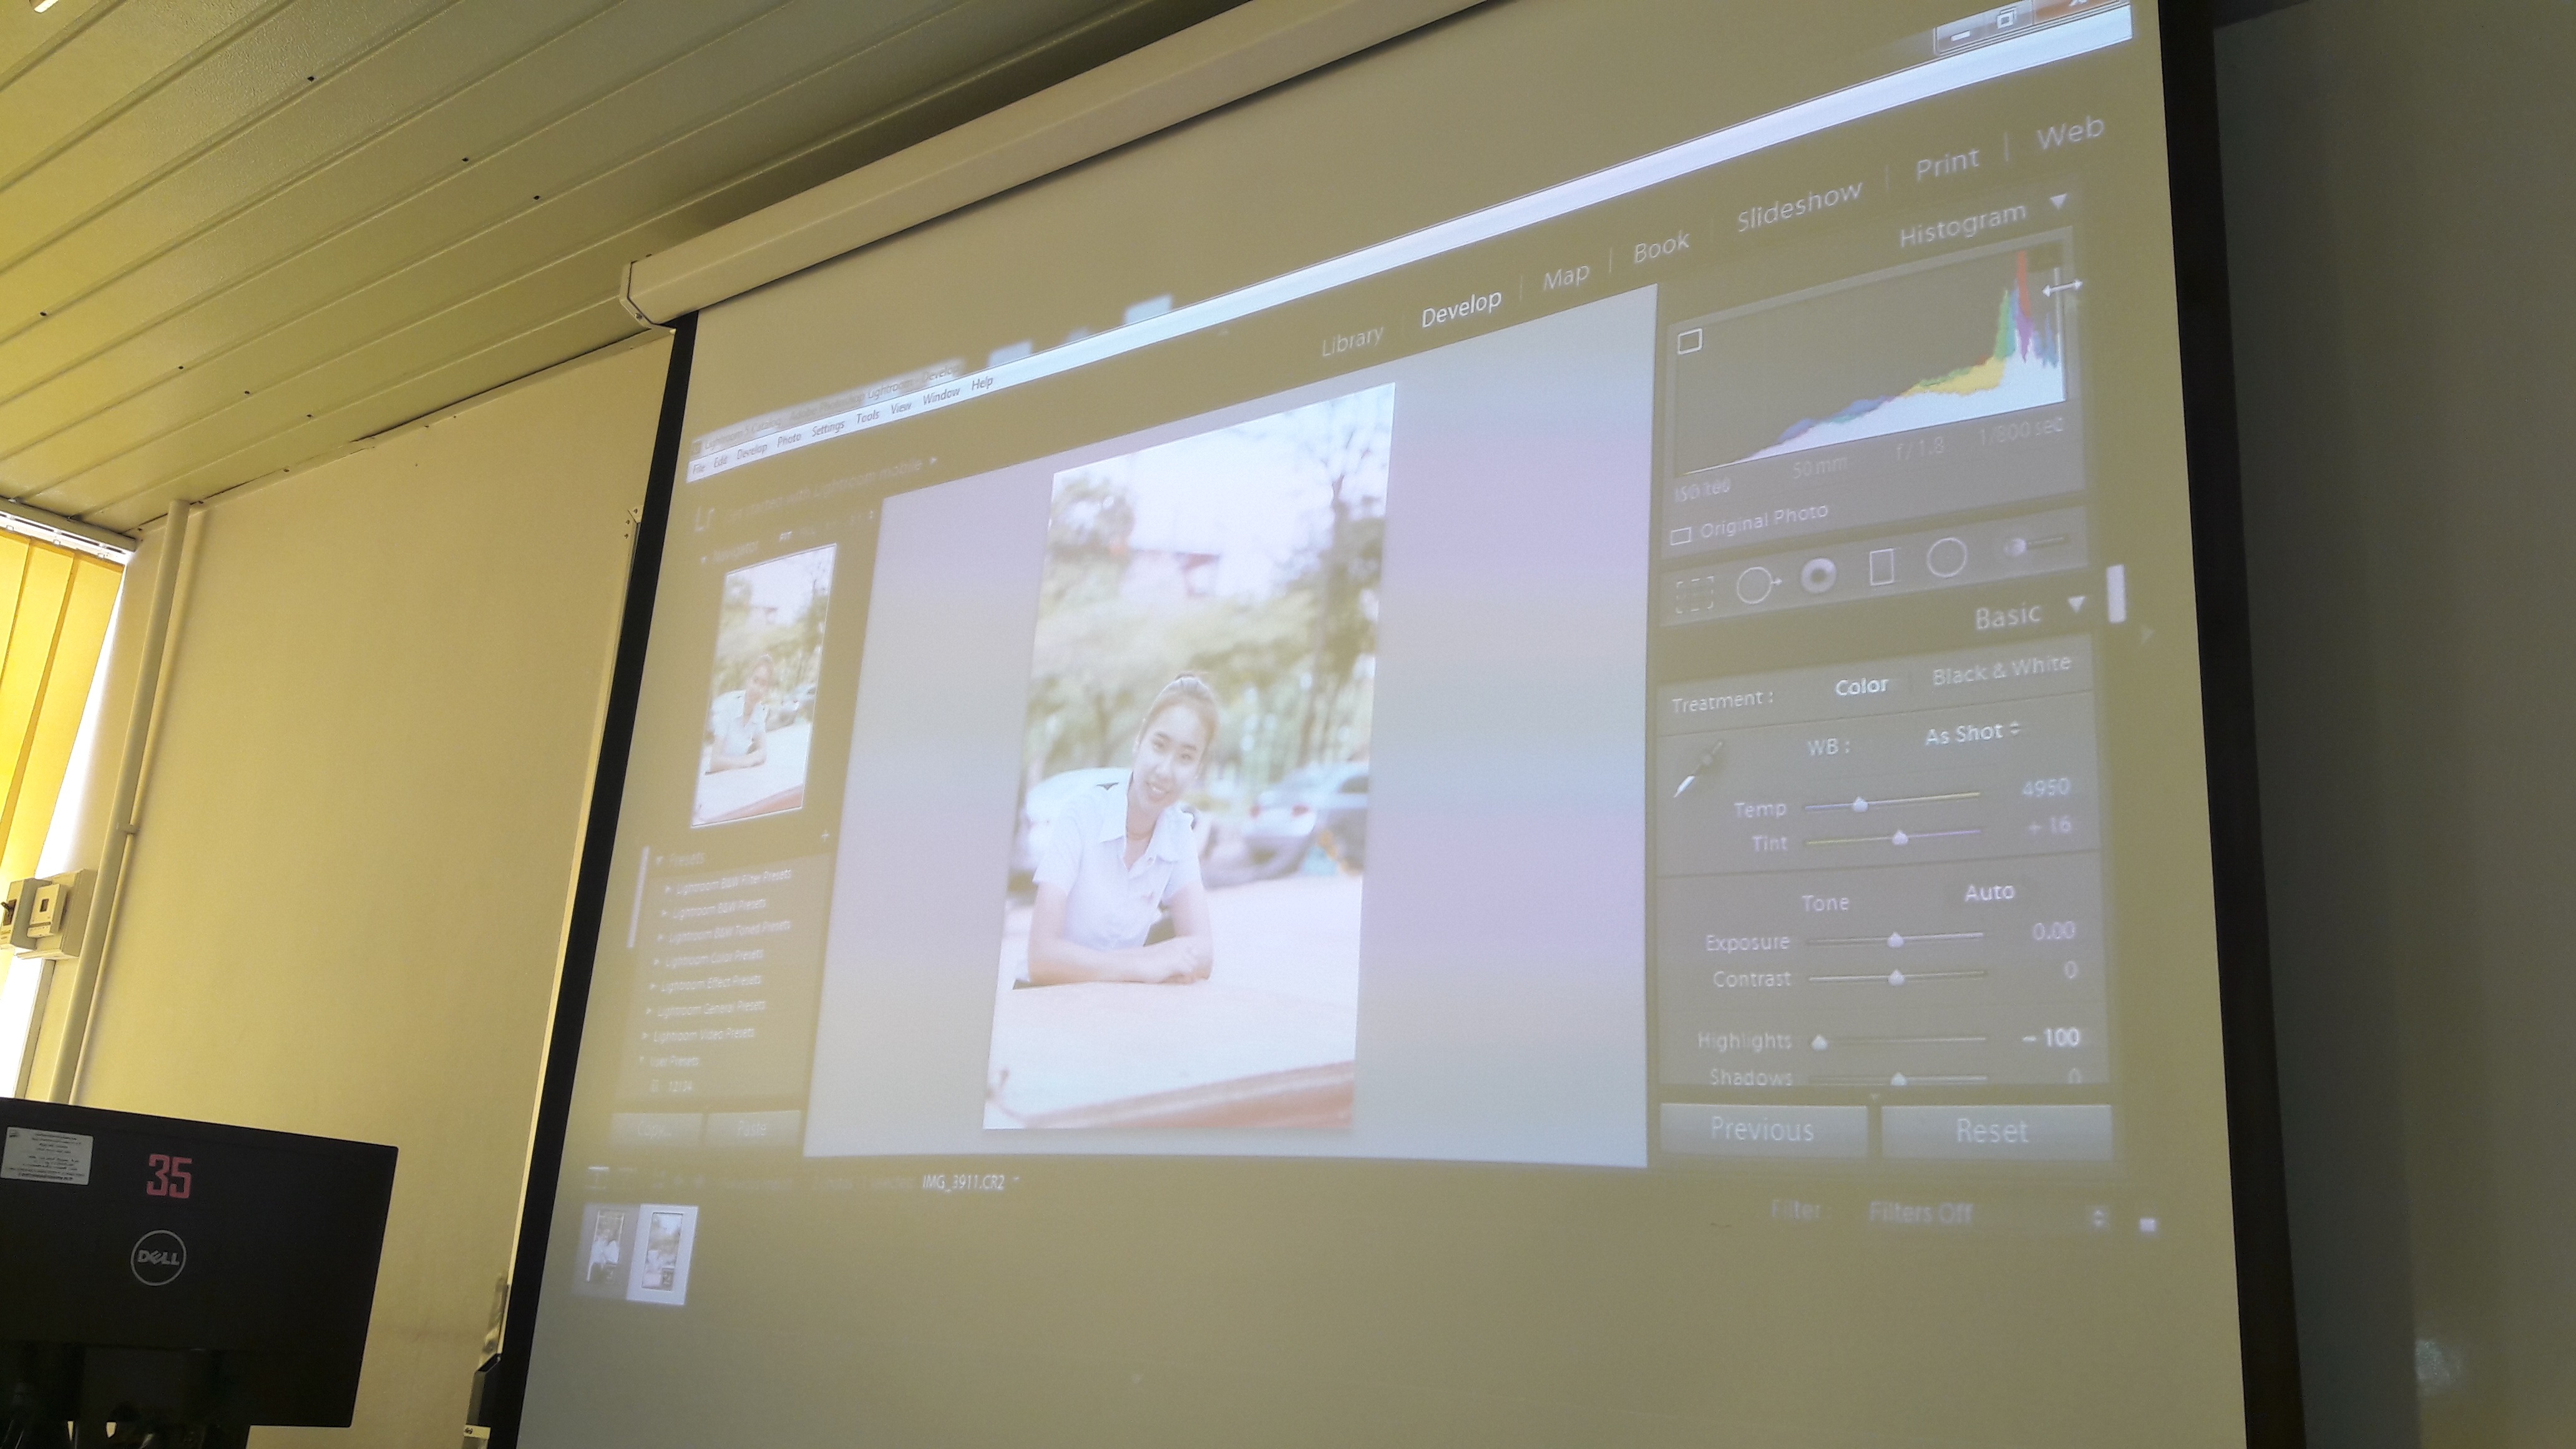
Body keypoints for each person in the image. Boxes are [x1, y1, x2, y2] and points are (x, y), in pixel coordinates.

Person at [1026, 675, 1219, 986]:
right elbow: (1041, 958)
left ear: (1198, 768)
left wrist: (1133, 964)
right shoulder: (1082, 816)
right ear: (1139, 741)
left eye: (1186, 757)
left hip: (1114, 1005)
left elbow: (1204, 954)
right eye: (1159, 745)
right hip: (1047, 999)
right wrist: (1142, 965)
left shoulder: (1177, 833)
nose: (1165, 770)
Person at [706, 654, 774, 771]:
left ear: (767, 690)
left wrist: (743, 761)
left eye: (763, 684)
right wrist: (745, 761)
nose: (757, 689)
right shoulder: (730, 706)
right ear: (748, 680)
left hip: (737, 775)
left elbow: (763, 752)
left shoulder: (758, 712)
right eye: (755, 680)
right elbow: (715, 762)